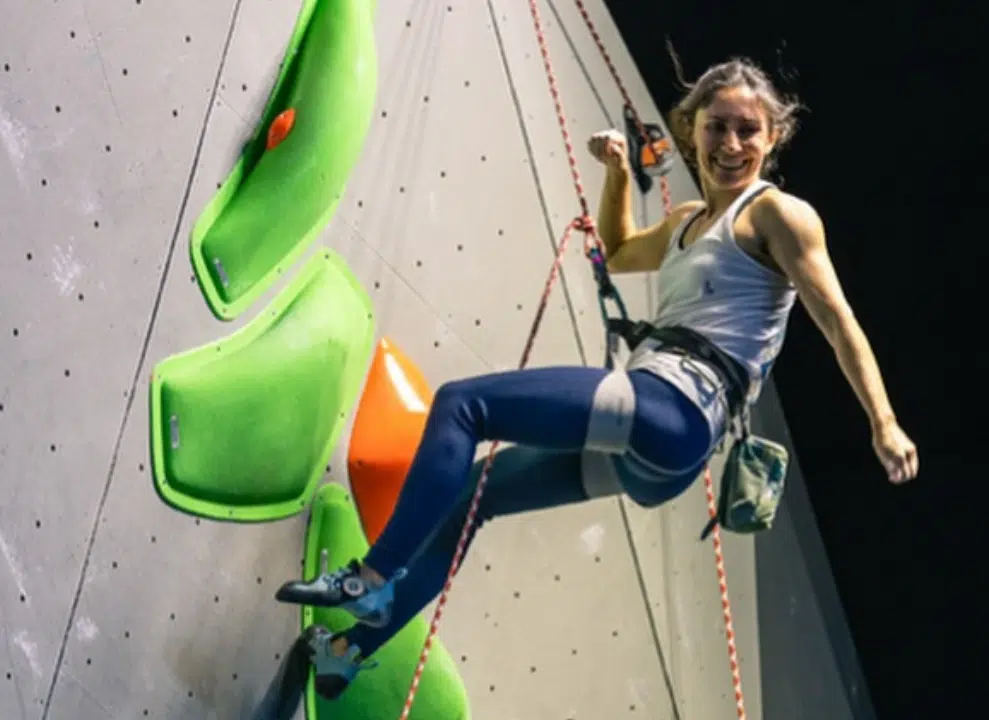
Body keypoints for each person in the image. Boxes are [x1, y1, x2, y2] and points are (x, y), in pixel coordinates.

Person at [272, 56, 919, 698]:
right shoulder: (685, 221)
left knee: (463, 407)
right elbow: (617, 250)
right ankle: (346, 652)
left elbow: (838, 320)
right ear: (690, 128)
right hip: (655, 460)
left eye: (748, 130)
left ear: (772, 137)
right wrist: (616, 174)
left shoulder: (777, 216)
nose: (730, 145)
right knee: (474, 497)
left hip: (677, 409)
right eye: (716, 126)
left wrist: (883, 422)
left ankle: (373, 577)